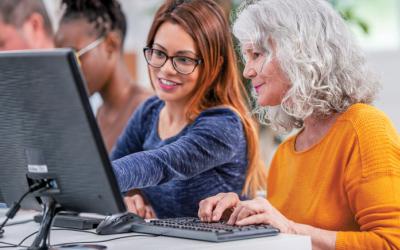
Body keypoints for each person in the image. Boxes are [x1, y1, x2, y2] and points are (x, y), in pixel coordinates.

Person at [198, 0, 400, 249]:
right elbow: (283, 234)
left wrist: (292, 230)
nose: (247, 71)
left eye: (257, 55)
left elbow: (392, 242)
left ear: (298, 52)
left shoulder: (364, 128)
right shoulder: (285, 153)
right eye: (246, 56)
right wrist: (243, 217)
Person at [111, 0, 268, 219]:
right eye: (158, 53)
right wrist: (130, 195)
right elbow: (112, 174)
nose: (166, 69)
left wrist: (92, 179)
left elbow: (161, 164)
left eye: (183, 59)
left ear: (214, 66)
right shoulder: (149, 112)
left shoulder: (224, 124)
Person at [54, 0, 152, 152]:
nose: (66, 69)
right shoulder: (99, 115)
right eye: (61, 59)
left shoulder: (148, 110)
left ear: (110, 45)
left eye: (73, 56)